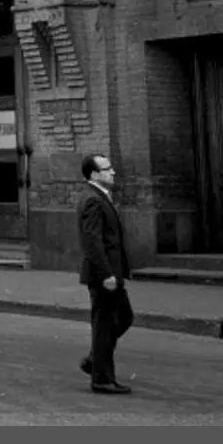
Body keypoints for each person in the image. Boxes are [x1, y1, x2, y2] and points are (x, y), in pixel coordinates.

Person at [77, 153, 134, 394]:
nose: (113, 172)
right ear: (93, 174)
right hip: (105, 275)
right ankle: (101, 378)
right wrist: (106, 274)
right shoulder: (92, 200)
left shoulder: (100, 196)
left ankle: (95, 360)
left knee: (123, 317)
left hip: (112, 273)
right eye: (107, 168)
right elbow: (93, 242)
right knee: (105, 323)